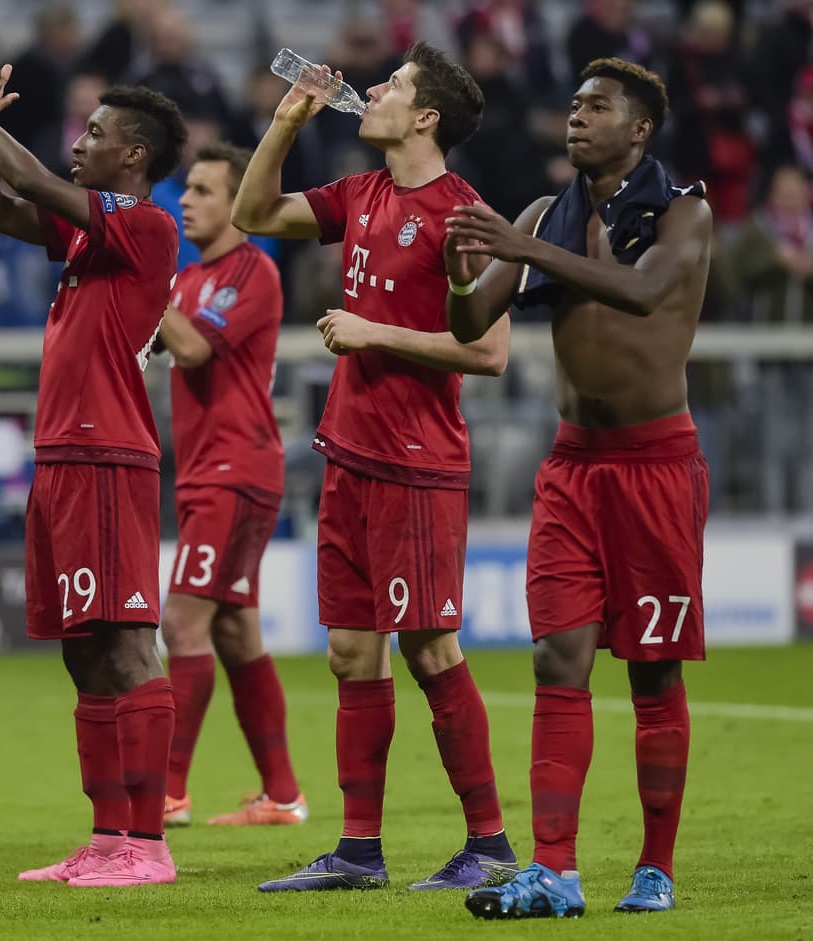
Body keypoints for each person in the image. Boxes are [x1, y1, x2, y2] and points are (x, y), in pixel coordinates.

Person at [232, 42, 517, 893]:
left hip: (417, 461)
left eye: (392, 87)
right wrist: (286, 121)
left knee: (431, 648)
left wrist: (374, 332)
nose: (375, 95)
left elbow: (492, 350)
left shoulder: (461, 215)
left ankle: (491, 842)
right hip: (349, 453)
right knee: (353, 652)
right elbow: (253, 213)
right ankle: (359, 852)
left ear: (424, 117)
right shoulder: (362, 192)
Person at [445, 58, 711, 919]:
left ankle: (655, 865)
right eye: (573, 104)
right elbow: (469, 322)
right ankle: (554, 868)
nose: (577, 116)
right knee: (557, 655)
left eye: (598, 107)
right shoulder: (540, 216)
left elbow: (642, 291)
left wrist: (526, 249)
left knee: (651, 672)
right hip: (571, 468)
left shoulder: (685, 213)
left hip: (656, 468)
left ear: (639, 129)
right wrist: (460, 270)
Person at [0, 41, 186, 887]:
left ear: (132, 155)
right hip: (60, 457)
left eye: (93, 133)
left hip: (109, 454)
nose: (77, 142)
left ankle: (150, 844)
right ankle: (106, 836)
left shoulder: (148, 225)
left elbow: (38, 185)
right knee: (81, 652)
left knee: (127, 643)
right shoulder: (88, 240)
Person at [155, 142, 304, 829]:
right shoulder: (187, 281)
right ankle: (282, 794)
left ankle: (167, 791)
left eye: (203, 190)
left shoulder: (255, 272)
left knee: (182, 620)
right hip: (206, 471)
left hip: (235, 471)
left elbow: (191, 348)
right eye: (186, 189)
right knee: (237, 633)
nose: (185, 200)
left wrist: (143, 281)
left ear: (238, 202)